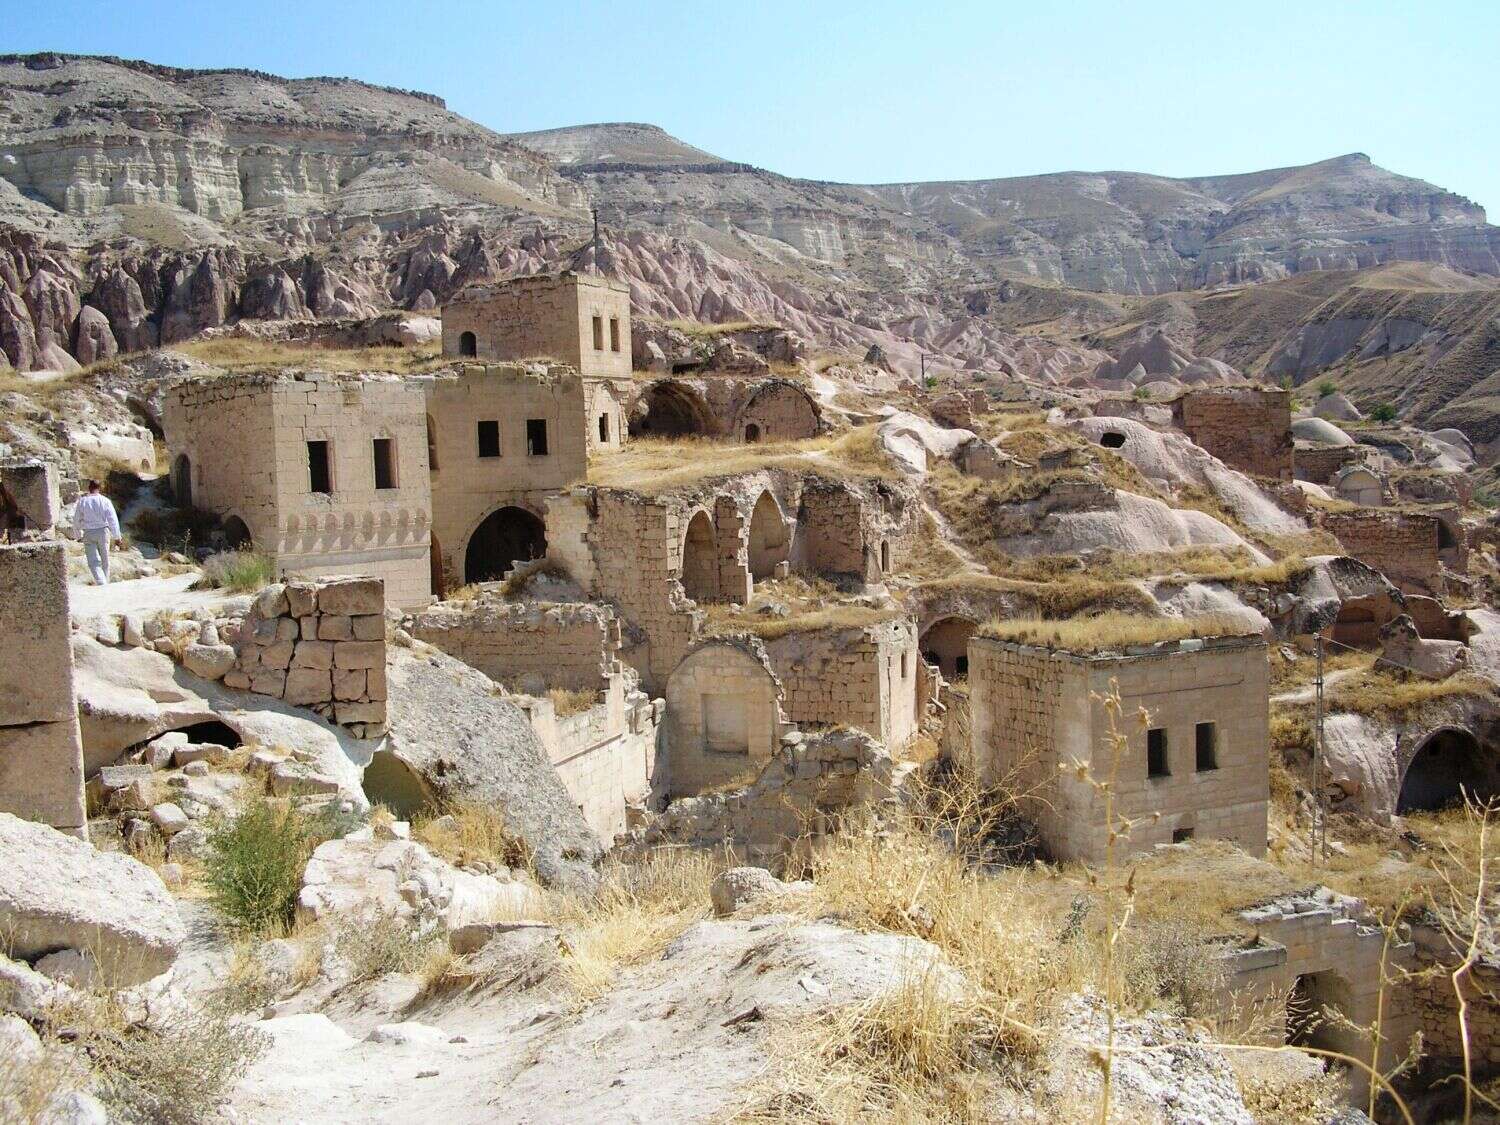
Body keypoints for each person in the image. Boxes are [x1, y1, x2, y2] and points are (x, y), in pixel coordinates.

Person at [75, 480, 123, 585]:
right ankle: (105, 581)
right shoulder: (105, 501)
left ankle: (101, 581)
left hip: (88, 532)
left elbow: (76, 519)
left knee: (93, 560)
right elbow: (112, 519)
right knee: (105, 559)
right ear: (99, 488)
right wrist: (117, 536)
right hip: (103, 531)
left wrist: (78, 535)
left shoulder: (82, 501)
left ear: (89, 488)